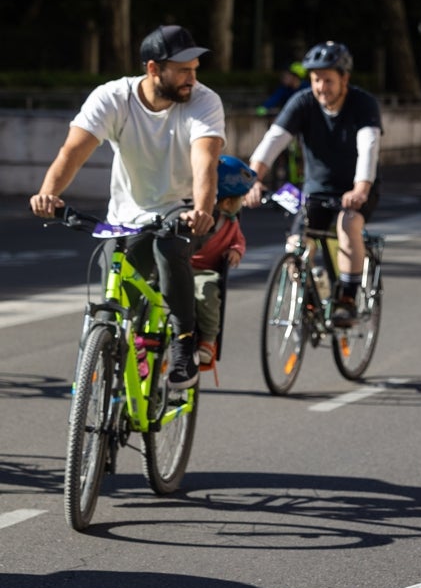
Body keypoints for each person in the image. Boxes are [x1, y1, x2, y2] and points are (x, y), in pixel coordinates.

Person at [28, 24, 224, 389]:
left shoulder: (203, 101)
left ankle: (183, 344)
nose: (191, 79)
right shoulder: (113, 97)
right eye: (182, 70)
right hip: (126, 216)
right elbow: (73, 151)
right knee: (118, 302)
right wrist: (48, 194)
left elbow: (205, 162)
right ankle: (113, 380)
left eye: (195, 70)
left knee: (169, 249)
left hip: (181, 209)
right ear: (153, 69)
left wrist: (201, 209)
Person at [246, 40, 383, 326]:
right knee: (296, 246)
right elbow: (273, 140)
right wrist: (251, 179)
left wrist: (360, 189)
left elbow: (368, 147)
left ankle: (347, 298)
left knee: (347, 225)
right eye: (316, 79)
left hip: (357, 189)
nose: (321, 87)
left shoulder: (363, 104)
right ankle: (315, 291)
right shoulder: (303, 102)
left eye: (329, 80)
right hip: (316, 191)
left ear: (345, 78)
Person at [191, 155, 255, 370]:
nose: (242, 204)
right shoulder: (194, 213)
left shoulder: (230, 223)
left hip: (204, 271)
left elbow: (239, 241)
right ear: (227, 201)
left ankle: (208, 340)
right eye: (240, 199)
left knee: (207, 292)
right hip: (182, 265)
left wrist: (236, 251)